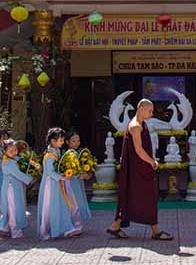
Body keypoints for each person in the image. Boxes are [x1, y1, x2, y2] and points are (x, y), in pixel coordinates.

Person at [108, 99, 172, 240]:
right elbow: (138, 150)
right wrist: (152, 162)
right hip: (139, 168)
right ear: (141, 108)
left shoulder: (141, 124)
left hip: (139, 168)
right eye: (150, 110)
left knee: (132, 195)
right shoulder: (136, 126)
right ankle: (155, 230)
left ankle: (115, 225)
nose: (152, 113)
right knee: (148, 196)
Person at [38, 127, 83, 240]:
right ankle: (53, 229)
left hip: (57, 183)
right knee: (51, 206)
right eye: (61, 140)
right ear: (53, 141)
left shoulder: (57, 151)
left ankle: (65, 228)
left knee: (61, 205)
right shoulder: (49, 155)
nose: (63, 142)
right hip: (51, 185)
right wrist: (61, 177)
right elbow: (49, 172)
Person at [0, 139, 33, 238]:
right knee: (13, 208)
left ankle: (8, 227)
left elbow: (21, 163)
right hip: (11, 189)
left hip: (15, 187)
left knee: (14, 207)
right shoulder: (8, 163)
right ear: (5, 152)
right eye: (11, 151)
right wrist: (29, 178)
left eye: (15, 150)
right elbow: (18, 174)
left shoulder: (13, 159)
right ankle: (15, 230)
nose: (14, 153)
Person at [66, 130, 93, 225]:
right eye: (73, 141)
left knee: (80, 200)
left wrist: (87, 174)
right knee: (72, 201)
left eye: (78, 140)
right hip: (70, 181)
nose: (76, 143)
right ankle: (73, 223)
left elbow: (88, 167)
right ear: (67, 142)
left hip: (79, 181)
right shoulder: (66, 154)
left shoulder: (82, 153)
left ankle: (78, 222)